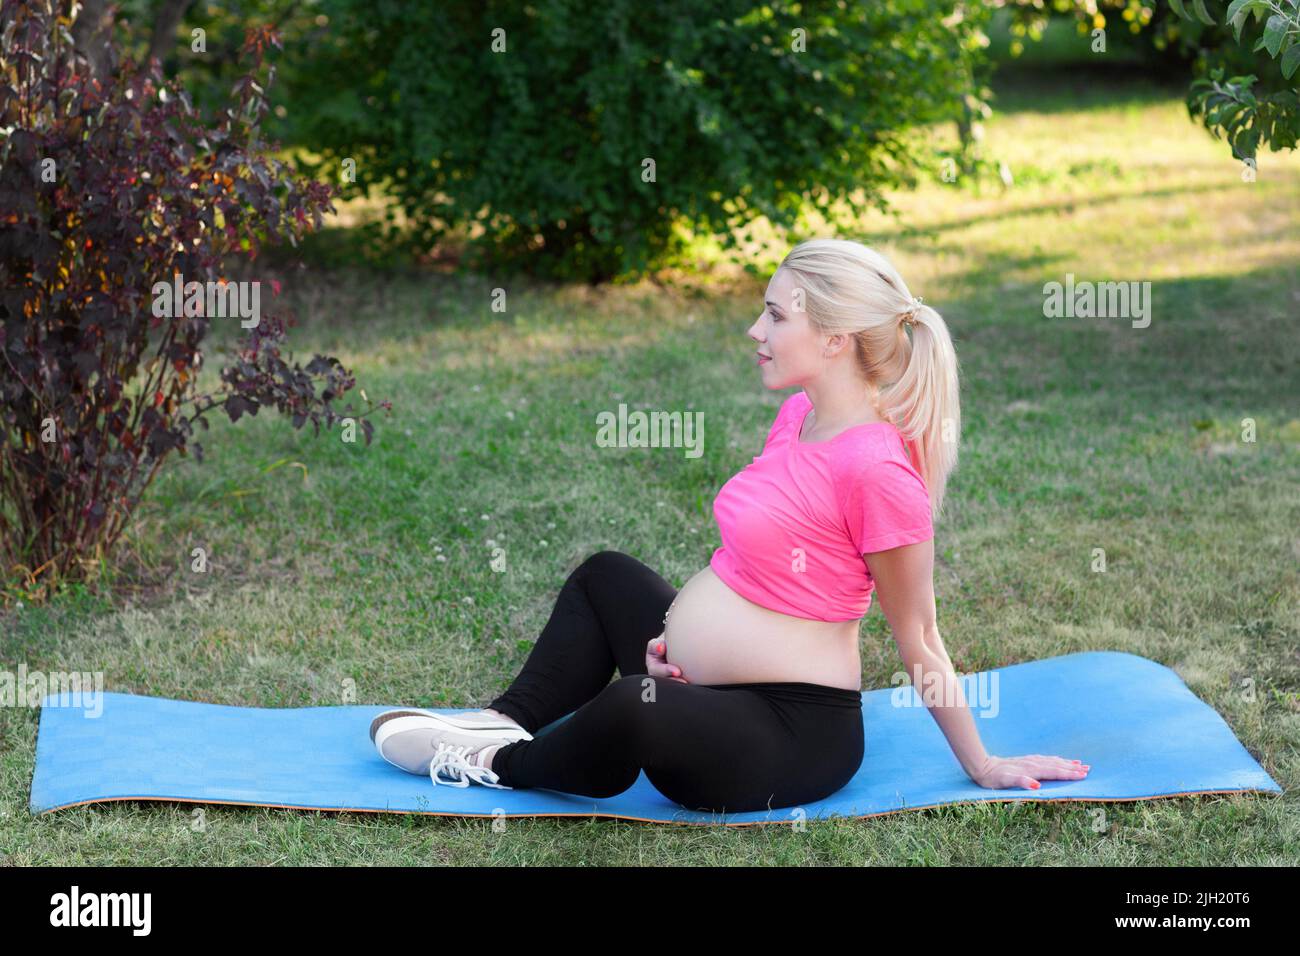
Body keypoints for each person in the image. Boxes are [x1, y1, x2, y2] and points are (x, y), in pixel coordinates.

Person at [369, 238, 1090, 813]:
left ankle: (490, 765)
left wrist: (983, 762)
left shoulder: (878, 473)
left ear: (836, 337)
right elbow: (749, 572)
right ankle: (509, 720)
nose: (756, 329)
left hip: (789, 736)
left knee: (633, 703)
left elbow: (922, 639)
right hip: (704, 692)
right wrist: (671, 639)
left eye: (777, 315)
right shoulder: (800, 417)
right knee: (606, 576)